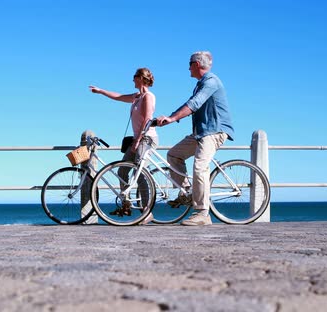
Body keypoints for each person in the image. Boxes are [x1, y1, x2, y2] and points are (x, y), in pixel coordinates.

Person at [156, 51, 234, 226]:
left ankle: (202, 213)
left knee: (199, 167)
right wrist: (170, 116)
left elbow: (194, 104)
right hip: (201, 132)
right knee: (174, 154)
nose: (188, 67)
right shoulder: (200, 84)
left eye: (189, 63)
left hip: (214, 131)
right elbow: (190, 103)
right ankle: (187, 193)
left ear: (197, 64)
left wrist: (172, 119)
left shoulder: (211, 82)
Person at [89, 68, 158, 224]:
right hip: (137, 139)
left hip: (146, 139)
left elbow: (147, 120)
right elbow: (119, 97)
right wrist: (101, 91)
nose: (132, 79)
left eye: (134, 77)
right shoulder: (136, 97)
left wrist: (138, 140)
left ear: (141, 78)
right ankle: (126, 203)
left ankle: (146, 212)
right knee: (122, 170)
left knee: (140, 173)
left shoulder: (148, 96)